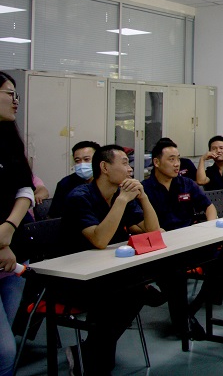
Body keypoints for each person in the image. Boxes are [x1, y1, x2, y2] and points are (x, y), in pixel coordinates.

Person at [60, 144, 161, 375]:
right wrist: (122, 200)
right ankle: (92, 357)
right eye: (124, 163)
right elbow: (99, 240)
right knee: (127, 292)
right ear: (105, 167)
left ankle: (88, 354)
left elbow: (153, 232)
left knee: (136, 289)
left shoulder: (119, 195)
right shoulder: (80, 197)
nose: (130, 169)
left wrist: (144, 198)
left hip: (107, 272)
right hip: (73, 278)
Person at [143, 138, 218, 340]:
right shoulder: (145, 189)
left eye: (178, 159)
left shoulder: (186, 184)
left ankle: (188, 311)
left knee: (222, 261)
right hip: (161, 248)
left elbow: (209, 207)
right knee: (175, 273)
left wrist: (210, 227)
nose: (177, 164)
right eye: (171, 159)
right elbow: (135, 222)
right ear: (156, 162)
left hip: (189, 242)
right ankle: (182, 321)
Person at [0, 72, 35, 376]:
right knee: (5, 350)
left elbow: (26, 188)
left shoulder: (10, 141)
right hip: (3, 251)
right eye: (9, 94)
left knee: (6, 339)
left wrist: (8, 229)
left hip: (14, 256)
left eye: (16, 95)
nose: (15, 101)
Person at [49, 140, 101, 219]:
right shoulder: (65, 184)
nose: (82, 164)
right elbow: (55, 215)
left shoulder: (107, 181)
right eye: (77, 161)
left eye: (86, 159)